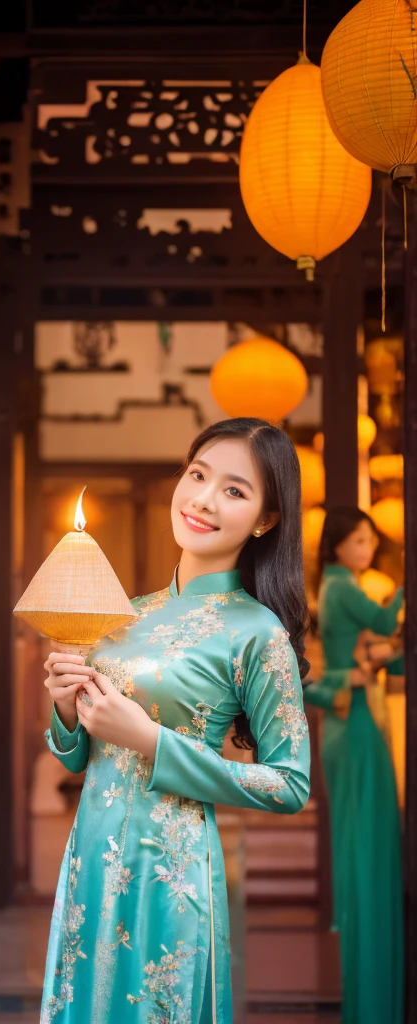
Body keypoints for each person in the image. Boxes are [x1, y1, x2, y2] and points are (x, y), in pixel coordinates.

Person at [40, 417, 311, 1024]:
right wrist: (64, 707)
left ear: (266, 519)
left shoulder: (258, 632)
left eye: (235, 491)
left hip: (170, 864)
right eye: (198, 475)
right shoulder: (123, 614)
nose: (204, 500)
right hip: (89, 854)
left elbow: (290, 784)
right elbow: (79, 755)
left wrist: (150, 740)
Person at [304, 507, 403, 1024]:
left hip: (355, 726)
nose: (368, 549)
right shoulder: (342, 586)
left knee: (364, 844)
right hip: (356, 727)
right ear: (339, 545)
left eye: (371, 541)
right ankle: (370, 986)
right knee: (365, 848)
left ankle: (371, 984)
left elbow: (382, 646)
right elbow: (387, 624)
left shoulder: (338, 588)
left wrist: (373, 663)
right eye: (360, 540)